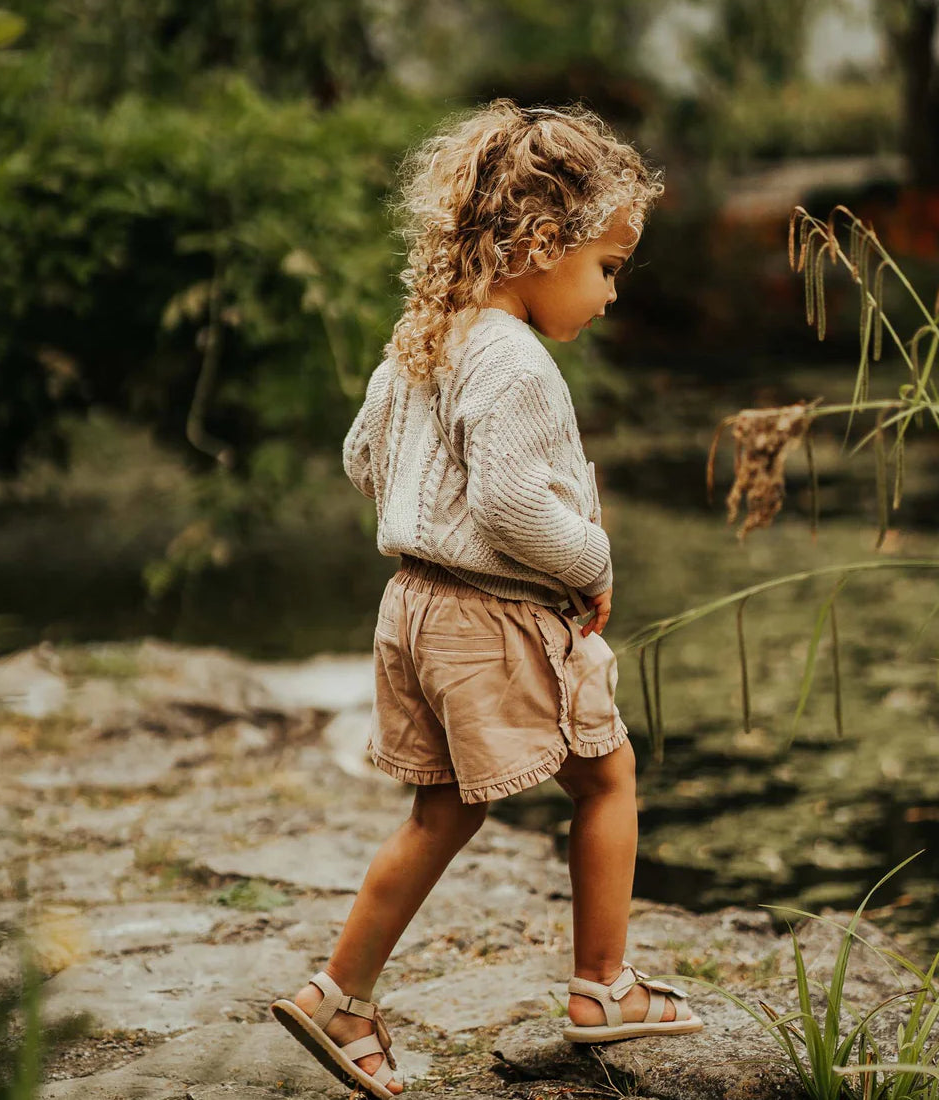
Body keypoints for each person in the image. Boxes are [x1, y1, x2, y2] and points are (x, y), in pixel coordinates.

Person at [270, 99, 702, 1099]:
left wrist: (424, 520)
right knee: (606, 776)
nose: (605, 295)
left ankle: (341, 993)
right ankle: (603, 988)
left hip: (413, 606)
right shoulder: (515, 362)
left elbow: (359, 456)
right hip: (489, 614)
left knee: (440, 810)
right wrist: (589, 560)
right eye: (603, 267)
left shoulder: (424, 337)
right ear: (541, 242)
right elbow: (513, 506)